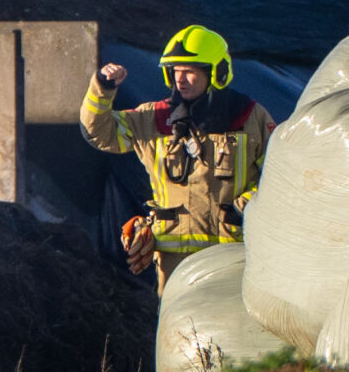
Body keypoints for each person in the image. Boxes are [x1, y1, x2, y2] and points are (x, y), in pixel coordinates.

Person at [81, 25, 273, 288]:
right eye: (176, 72)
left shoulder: (250, 118)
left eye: (190, 72)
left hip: (233, 258)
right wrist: (102, 89)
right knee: (178, 330)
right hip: (173, 262)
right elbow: (100, 133)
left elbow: (279, 173)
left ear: (217, 73)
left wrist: (245, 205)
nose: (180, 79)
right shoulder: (153, 118)